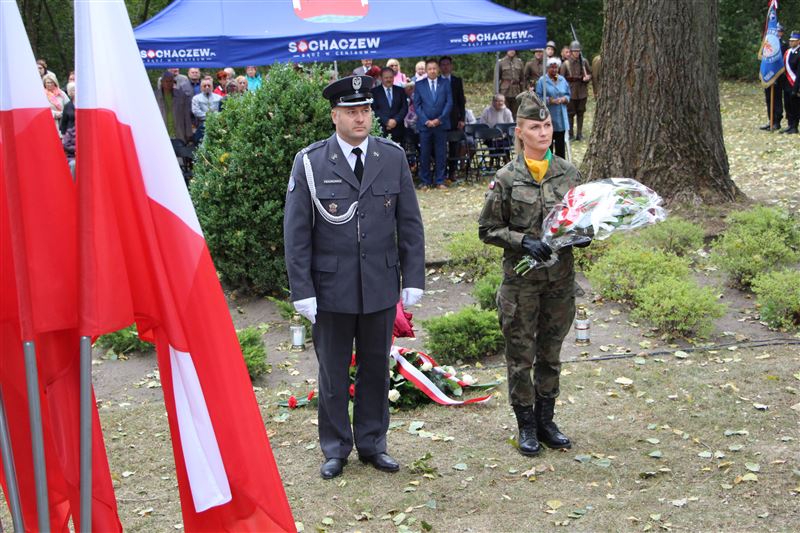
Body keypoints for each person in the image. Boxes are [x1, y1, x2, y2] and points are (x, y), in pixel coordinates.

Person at [283, 75, 425, 480]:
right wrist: (302, 290)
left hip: (379, 284)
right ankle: (335, 448)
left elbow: (409, 223)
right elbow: (296, 232)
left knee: (376, 369)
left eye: (365, 110)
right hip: (331, 288)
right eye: (351, 112)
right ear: (335, 116)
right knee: (332, 372)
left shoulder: (391, 157)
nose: (360, 118)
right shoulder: (310, 162)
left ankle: (373, 443)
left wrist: (413, 277)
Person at [478, 91, 589, 457]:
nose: (544, 133)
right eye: (535, 127)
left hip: (559, 281)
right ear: (520, 132)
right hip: (521, 284)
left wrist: (584, 235)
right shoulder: (507, 178)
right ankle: (525, 424)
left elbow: (581, 220)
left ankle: (546, 420)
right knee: (520, 356)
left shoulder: (569, 173)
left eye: (547, 125)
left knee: (551, 354)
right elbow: (488, 229)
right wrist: (523, 241)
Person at [413, 58, 452, 189]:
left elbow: (449, 103)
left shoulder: (445, 83)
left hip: (441, 124)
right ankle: (425, 181)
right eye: (429, 69)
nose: (432, 71)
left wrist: (439, 119)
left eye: (434, 68)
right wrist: (426, 120)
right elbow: (417, 105)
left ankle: (440, 181)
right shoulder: (419, 85)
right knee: (425, 154)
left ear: (438, 69)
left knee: (441, 154)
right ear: (426, 70)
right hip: (425, 126)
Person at [535, 58, 570, 158]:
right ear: (547, 68)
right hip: (548, 115)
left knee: (560, 144)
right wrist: (549, 101)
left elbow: (568, 94)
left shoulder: (562, 79)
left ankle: (560, 163)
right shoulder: (542, 81)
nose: (554, 70)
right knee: (548, 143)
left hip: (560, 116)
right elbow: (538, 97)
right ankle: (548, 163)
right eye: (552, 68)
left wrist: (564, 99)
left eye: (556, 68)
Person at [440, 55, 466, 180]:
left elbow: (461, 101)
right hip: (440, 118)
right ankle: (441, 171)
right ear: (440, 67)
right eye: (443, 65)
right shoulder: (436, 81)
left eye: (447, 64)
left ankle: (452, 172)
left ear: (451, 66)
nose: (445, 67)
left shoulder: (457, 81)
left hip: (454, 118)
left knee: (454, 146)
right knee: (440, 147)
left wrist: (462, 119)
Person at [560, 40, 592, 140]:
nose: (577, 53)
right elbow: (561, 79)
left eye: (578, 51)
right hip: (571, 92)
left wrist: (587, 78)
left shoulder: (584, 62)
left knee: (580, 113)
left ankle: (579, 134)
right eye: (575, 51)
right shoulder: (566, 64)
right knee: (570, 114)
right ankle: (570, 134)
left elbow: (590, 73)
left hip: (582, 91)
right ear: (571, 51)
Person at [155, 70, 193, 143]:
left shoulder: (181, 95)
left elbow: (186, 115)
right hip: (161, 133)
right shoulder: (155, 96)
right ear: (162, 82)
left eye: (170, 81)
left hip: (179, 132)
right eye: (166, 81)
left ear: (174, 82)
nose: (168, 83)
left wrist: (189, 133)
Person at [372, 67, 408, 143]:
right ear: (380, 78)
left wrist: (395, 121)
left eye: (391, 77)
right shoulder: (374, 92)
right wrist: (387, 121)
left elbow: (404, 108)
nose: (389, 79)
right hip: (381, 129)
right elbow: (374, 109)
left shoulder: (400, 90)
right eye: (386, 78)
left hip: (398, 129)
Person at [191, 76, 223, 142]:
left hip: (216, 123)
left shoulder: (219, 98)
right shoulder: (196, 98)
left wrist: (215, 116)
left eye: (209, 85)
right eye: (204, 86)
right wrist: (209, 116)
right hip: (202, 124)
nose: (207, 87)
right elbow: (196, 111)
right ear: (201, 87)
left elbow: (221, 111)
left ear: (212, 87)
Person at [781, 31, 799, 134]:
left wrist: (796, 88)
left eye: (793, 41)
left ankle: (795, 126)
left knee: (795, 106)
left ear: (798, 41)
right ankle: (790, 124)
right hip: (787, 83)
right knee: (788, 105)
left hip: (796, 83)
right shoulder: (788, 52)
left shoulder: (798, 53)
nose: (791, 42)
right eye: (790, 40)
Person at [497, 50, 525, 118]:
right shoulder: (501, 62)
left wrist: (523, 92)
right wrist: (496, 94)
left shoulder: (519, 62)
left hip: (516, 91)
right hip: (504, 91)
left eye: (513, 49)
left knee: (516, 113)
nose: (512, 51)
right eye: (510, 49)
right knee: (504, 112)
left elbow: (522, 79)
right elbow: (496, 79)